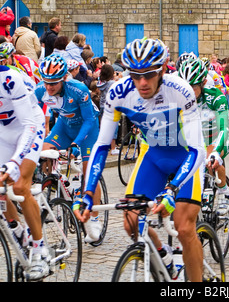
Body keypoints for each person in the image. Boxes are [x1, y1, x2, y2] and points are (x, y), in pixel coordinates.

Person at [74, 38, 206, 282]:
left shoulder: (179, 90)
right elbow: (102, 145)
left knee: (185, 228)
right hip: (153, 157)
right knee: (131, 221)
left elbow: (198, 149)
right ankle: (165, 260)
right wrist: (87, 192)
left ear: (163, 70)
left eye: (149, 74)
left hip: (185, 158)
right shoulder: (118, 93)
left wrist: (172, 189)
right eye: (135, 75)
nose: (142, 82)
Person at [35, 53, 102, 242]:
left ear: (64, 78)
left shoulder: (78, 89)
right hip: (64, 126)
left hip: (87, 130)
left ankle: (94, 218)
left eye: (54, 83)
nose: (49, 87)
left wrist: (76, 144)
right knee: (43, 151)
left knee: (90, 175)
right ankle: (51, 188)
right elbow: (33, 116)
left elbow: (89, 120)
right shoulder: (40, 90)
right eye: (46, 82)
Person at [0, 61, 49, 280]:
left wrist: (15, 161)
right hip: (4, 134)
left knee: (19, 188)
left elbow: (29, 124)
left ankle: (39, 249)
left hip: (28, 129)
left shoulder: (10, 80)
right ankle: (19, 232)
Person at [178, 57, 229, 214]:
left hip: (220, 134)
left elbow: (225, 126)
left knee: (209, 159)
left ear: (203, 83)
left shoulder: (215, 97)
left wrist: (216, 152)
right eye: (185, 86)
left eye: (193, 86)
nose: (188, 91)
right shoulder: (179, 98)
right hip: (198, 137)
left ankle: (224, 191)